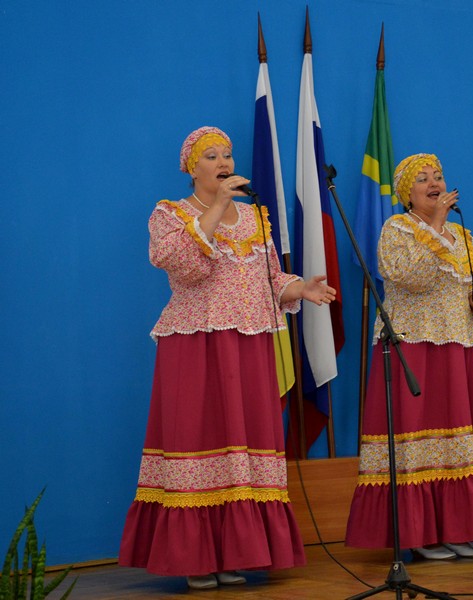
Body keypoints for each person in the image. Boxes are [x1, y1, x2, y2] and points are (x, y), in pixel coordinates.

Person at [119, 126, 336, 589]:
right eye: (211, 156)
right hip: (197, 345)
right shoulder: (170, 214)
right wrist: (217, 207)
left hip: (249, 346)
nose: (223, 162)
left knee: (245, 445)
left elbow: (270, 278)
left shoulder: (256, 217)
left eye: (227, 154)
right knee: (199, 438)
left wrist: (300, 288)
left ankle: (235, 553)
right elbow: (186, 268)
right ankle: (197, 558)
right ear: (191, 168)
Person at [345, 153, 473, 560]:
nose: (434, 183)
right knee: (416, 436)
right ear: (407, 194)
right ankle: (421, 534)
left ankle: (457, 528)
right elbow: (410, 277)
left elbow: (462, 282)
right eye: (423, 179)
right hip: (412, 344)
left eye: (438, 176)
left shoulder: (460, 234)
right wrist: (434, 227)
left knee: (454, 439)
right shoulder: (397, 228)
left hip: (455, 345)